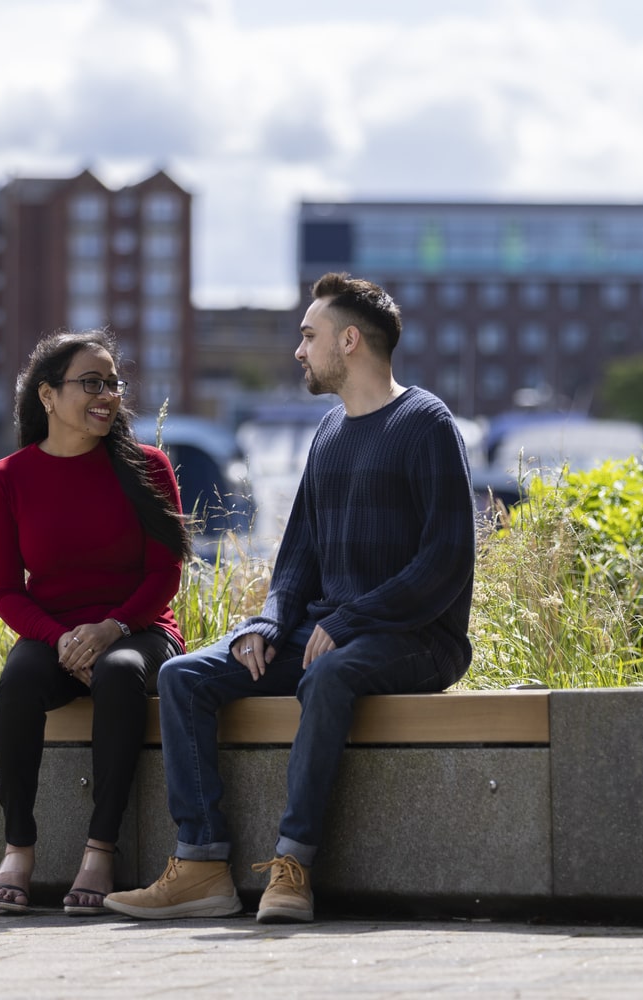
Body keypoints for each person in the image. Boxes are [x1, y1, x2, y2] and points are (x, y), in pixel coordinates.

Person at [104, 272, 476, 923]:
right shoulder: (329, 432)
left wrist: (356, 617)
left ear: (351, 340)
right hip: (328, 634)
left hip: (418, 640)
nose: (299, 350)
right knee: (185, 675)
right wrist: (269, 623)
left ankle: (293, 867)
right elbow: (298, 558)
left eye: (309, 335)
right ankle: (200, 867)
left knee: (328, 676)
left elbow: (444, 562)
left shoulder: (427, 425)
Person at [0, 329, 190, 916]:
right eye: (91, 383)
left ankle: (101, 849)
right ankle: (19, 847)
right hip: (56, 634)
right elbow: (5, 592)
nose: (108, 395)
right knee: (19, 681)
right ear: (47, 395)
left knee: (120, 673)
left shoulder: (147, 467)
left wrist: (111, 629)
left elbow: (164, 575)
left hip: (140, 630)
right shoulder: (6, 479)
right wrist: (61, 638)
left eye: (113, 384)